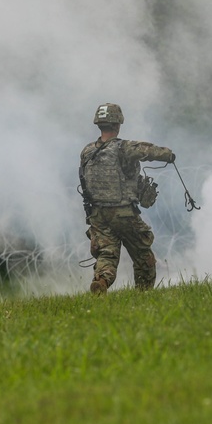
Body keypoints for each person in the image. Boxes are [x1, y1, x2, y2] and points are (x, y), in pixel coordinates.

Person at [79, 103, 175, 294]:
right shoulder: (123, 147)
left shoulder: (87, 151)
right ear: (117, 124)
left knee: (107, 254)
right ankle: (143, 294)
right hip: (123, 213)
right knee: (142, 254)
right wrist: (169, 155)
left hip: (98, 214)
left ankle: (101, 282)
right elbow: (148, 150)